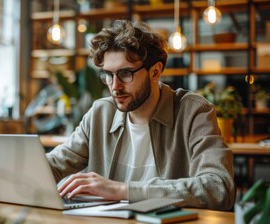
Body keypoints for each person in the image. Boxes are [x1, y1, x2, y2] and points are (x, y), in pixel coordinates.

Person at [46, 19, 235, 211]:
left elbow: (219, 187)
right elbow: (53, 165)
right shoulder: (101, 113)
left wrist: (123, 190)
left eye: (126, 73)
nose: (115, 87)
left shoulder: (193, 112)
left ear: (155, 72)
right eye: (108, 75)